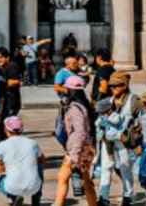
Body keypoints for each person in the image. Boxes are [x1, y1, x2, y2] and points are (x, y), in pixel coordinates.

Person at [94, 70, 139, 204]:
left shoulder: (135, 101)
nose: (113, 88)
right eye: (111, 86)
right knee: (106, 169)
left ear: (125, 85)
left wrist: (138, 142)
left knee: (125, 171)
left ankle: (128, 197)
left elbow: (143, 121)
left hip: (124, 143)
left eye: (116, 85)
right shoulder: (108, 101)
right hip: (107, 142)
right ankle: (103, 198)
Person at [52, 76, 97, 206]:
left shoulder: (75, 108)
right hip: (86, 148)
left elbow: (80, 132)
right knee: (86, 180)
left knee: (62, 177)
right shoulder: (84, 105)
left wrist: (75, 154)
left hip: (78, 149)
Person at [0, 116, 43, 206]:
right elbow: (43, 159)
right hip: (34, 187)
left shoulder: (3, 145)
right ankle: (36, 201)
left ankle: (14, 197)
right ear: (22, 129)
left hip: (12, 187)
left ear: (5, 130)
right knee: (39, 165)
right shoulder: (33, 143)